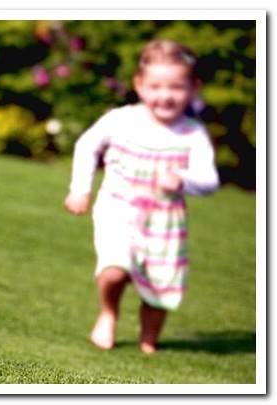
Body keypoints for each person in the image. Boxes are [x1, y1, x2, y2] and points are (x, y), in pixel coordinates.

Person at [64, 40, 220, 354]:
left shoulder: (193, 133)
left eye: (176, 87)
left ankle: (149, 338)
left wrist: (182, 180)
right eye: (156, 86)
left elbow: (210, 181)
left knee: (160, 284)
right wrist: (80, 188)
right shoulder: (121, 120)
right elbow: (86, 146)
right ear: (139, 85)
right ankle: (109, 313)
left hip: (165, 222)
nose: (165, 95)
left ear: (193, 88)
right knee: (114, 268)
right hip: (118, 208)